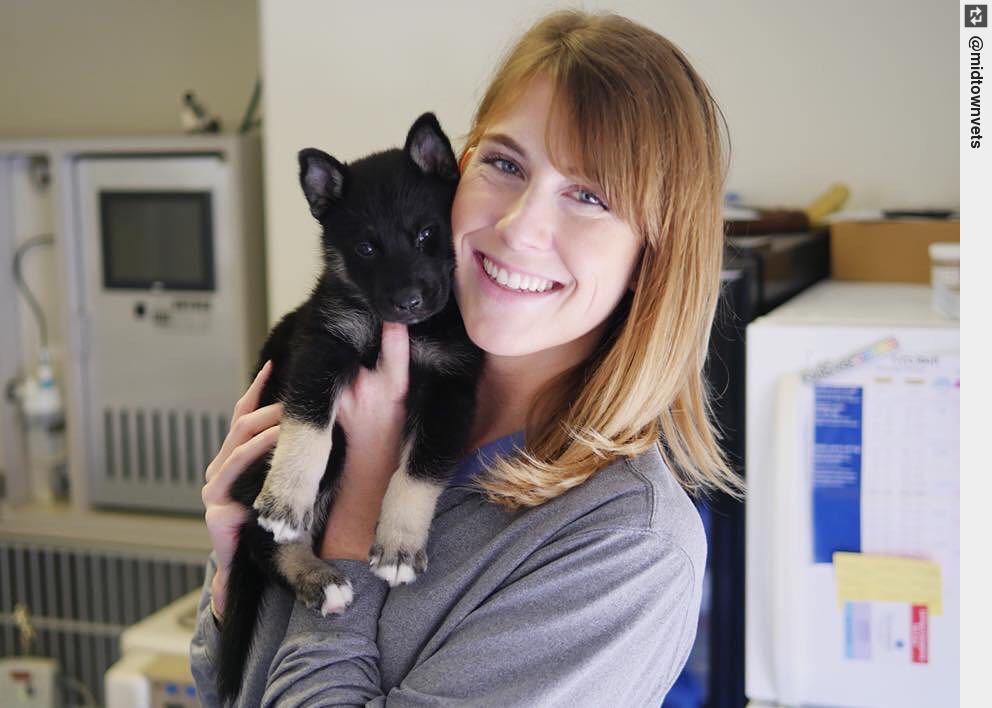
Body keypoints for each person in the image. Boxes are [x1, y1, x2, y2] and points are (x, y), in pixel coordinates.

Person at [191, 9, 743, 706]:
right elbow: (223, 686)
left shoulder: (626, 549)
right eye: (505, 164)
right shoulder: (367, 385)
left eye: (589, 195)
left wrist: (357, 511)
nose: (519, 228)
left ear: (650, 256)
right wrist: (230, 579)